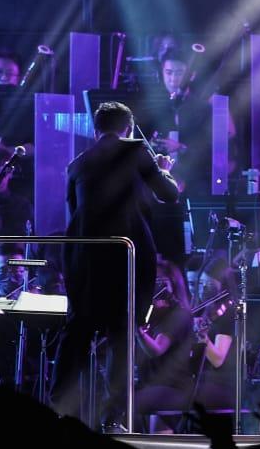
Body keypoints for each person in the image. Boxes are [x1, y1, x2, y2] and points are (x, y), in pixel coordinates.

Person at [53, 101, 180, 427]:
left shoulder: (76, 164)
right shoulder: (137, 150)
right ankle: (112, 418)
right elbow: (169, 194)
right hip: (126, 257)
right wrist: (163, 168)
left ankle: (61, 410)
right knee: (121, 335)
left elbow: (74, 213)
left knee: (78, 332)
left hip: (85, 259)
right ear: (129, 128)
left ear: (96, 130)